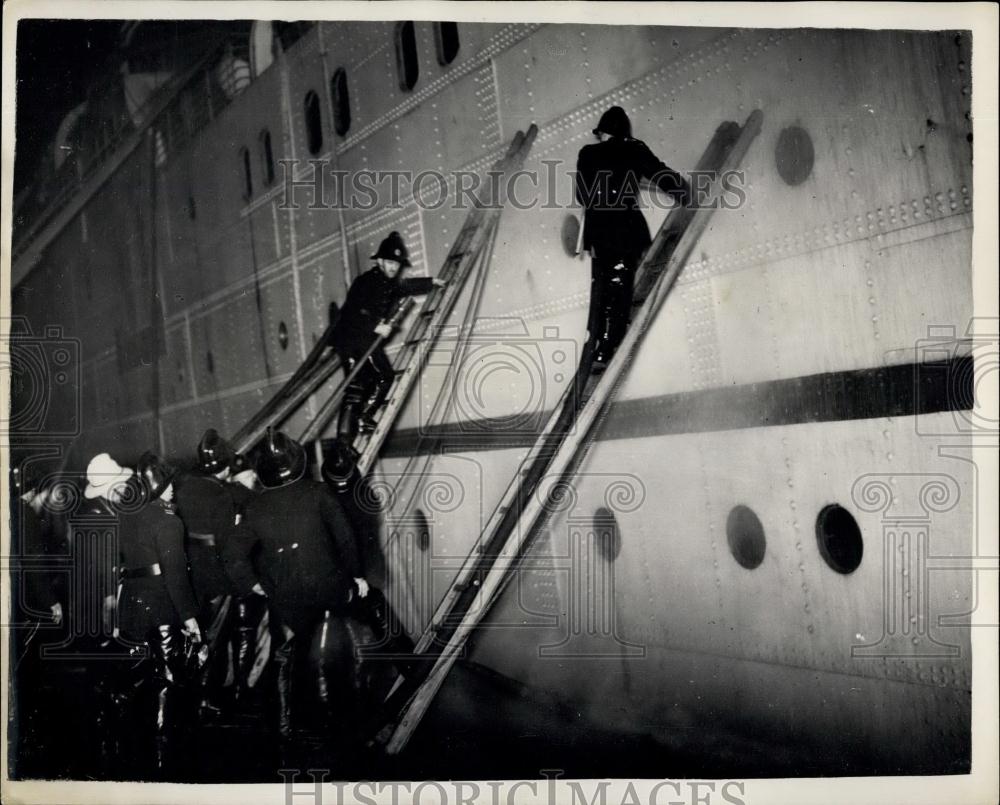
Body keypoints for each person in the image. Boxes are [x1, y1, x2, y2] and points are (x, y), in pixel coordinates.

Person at [222, 430, 369, 743]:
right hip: (328, 589)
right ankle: (337, 728)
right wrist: (356, 577)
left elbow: (233, 555)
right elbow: (345, 539)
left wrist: (254, 585)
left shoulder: (255, 507)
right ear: (298, 461)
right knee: (331, 657)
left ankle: (283, 730)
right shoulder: (319, 493)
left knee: (285, 659)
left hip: (285, 595)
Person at [575, 105, 691, 368]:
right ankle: (611, 340)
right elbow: (662, 175)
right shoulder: (634, 149)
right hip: (627, 228)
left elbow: (581, 195)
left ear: (603, 133)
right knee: (623, 281)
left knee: (606, 286)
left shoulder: (587, 154)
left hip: (600, 232)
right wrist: (687, 193)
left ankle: (603, 345)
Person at [115, 452, 201, 778]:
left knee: (138, 672)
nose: (172, 490)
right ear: (160, 489)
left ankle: (129, 733)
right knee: (168, 675)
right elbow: (176, 576)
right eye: (168, 485)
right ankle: (164, 741)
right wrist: (190, 617)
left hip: (133, 603)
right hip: (162, 604)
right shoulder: (169, 521)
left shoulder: (128, 517)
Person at [330, 231, 446, 444]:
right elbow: (353, 312)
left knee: (385, 376)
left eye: (397, 264)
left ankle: (365, 417)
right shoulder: (365, 282)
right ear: (381, 261)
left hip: (366, 339)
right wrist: (376, 326)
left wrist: (432, 282)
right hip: (351, 339)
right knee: (358, 385)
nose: (394, 267)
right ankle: (344, 441)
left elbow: (405, 286)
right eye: (390, 262)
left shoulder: (389, 282)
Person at [172, 428, 241, 717]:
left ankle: (188, 694)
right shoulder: (222, 494)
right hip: (217, 576)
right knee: (216, 638)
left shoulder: (185, 487)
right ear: (225, 468)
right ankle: (206, 698)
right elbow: (228, 544)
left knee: (194, 634)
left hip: (190, 572)